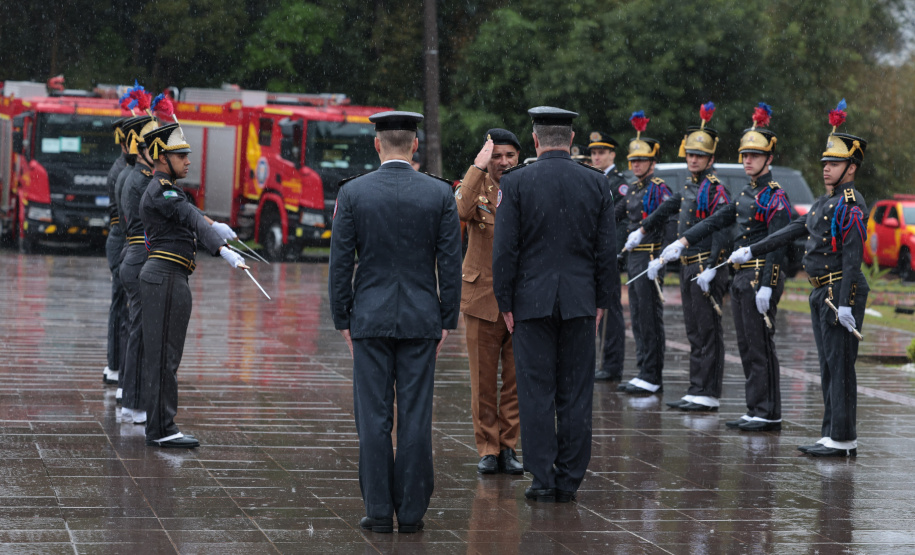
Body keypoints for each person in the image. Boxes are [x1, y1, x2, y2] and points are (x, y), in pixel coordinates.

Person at [328, 111, 461, 533]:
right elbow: (450, 264)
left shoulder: (354, 193)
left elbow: (340, 263)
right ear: (415, 144)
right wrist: (446, 317)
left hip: (369, 316)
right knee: (416, 417)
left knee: (373, 417)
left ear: (376, 144)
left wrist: (342, 316)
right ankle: (413, 509)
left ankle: (380, 510)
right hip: (422, 317)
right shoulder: (439, 193)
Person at [493, 106, 617, 502]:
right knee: (577, 393)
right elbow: (606, 250)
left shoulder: (516, 183)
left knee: (535, 391)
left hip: (531, 301)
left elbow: (505, 250)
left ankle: (543, 476)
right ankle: (570, 477)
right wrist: (602, 301)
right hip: (580, 303)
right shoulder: (596, 183)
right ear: (571, 139)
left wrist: (505, 300)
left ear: (534, 140)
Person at [730, 99, 868, 456]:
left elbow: (852, 260)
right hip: (821, 291)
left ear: (850, 168)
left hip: (839, 289)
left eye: (834, 163)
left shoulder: (851, 204)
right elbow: (792, 228)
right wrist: (753, 250)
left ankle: (843, 437)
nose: (826, 169)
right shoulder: (825, 202)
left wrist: (846, 302)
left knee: (840, 367)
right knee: (827, 365)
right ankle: (831, 432)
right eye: (825, 163)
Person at [665, 103, 790, 431]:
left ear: (769, 159)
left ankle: (767, 411)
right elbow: (718, 220)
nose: (747, 160)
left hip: (759, 276)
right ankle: (756, 408)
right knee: (748, 345)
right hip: (742, 275)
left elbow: (778, 244)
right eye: (744, 154)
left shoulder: (775, 198)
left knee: (760, 345)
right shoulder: (749, 193)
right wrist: (684, 242)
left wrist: (767, 283)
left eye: (754, 155)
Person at [139, 121, 243, 449]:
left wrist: (216, 226)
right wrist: (221, 249)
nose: (188, 160)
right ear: (160, 158)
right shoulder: (163, 190)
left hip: (167, 278)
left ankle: (159, 426)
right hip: (167, 279)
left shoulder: (164, 189)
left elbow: (192, 213)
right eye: (180, 155)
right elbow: (190, 217)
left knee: (162, 356)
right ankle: (162, 428)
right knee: (164, 357)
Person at [627, 102, 731, 412]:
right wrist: (643, 230)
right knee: (694, 331)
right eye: (690, 155)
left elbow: (722, 227)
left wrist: (713, 265)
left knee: (708, 330)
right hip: (687, 266)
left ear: (711, 159)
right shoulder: (689, 186)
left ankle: (708, 391)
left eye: (699, 155)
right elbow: (667, 208)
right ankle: (696, 387)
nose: (693, 159)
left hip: (703, 266)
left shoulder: (715, 189)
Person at [454, 128, 523, 476]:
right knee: (482, 379)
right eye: (497, 156)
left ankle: (510, 446)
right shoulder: (475, 186)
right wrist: (477, 167)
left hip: (521, 300)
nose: (504, 162)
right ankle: (487, 447)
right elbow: (459, 212)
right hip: (481, 296)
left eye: (510, 155)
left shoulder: (525, 186)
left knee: (515, 379)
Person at [616, 112, 670, 395]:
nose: (636, 164)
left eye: (641, 160)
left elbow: (667, 218)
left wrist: (657, 252)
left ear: (652, 162)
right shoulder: (634, 190)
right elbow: (618, 213)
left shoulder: (659, 190)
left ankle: (653, 374)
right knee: (637, 317)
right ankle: (643, 370)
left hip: (650, 257)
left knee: (650, 318)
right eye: (633, 160)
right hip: (635, 258)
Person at [116, 114, 159, 425]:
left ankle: (131, 399)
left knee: (136, 332)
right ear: (142, 151)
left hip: (132, 255)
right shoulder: (142, 180)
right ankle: (133, 402)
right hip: (139, 256)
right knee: (140, 334)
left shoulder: (135, 176)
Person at [589, 131, 626, 383]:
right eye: (593, 152)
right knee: (600, 312)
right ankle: (605, 362)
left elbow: (620, 223)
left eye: (601, 152)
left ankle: (613, 365)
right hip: (595, 253)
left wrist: (616, 252)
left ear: (612, 154)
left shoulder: (618, 183)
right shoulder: (594, 178)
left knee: (610, 312)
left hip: (609, 253)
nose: (597, 156)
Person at [102, 116, 131, 391]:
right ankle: (115, 365)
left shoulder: (124, 167)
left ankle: (114, 364)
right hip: (120, 239)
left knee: (119, 307)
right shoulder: (121, 170)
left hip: (119, 239)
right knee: (120, 308)